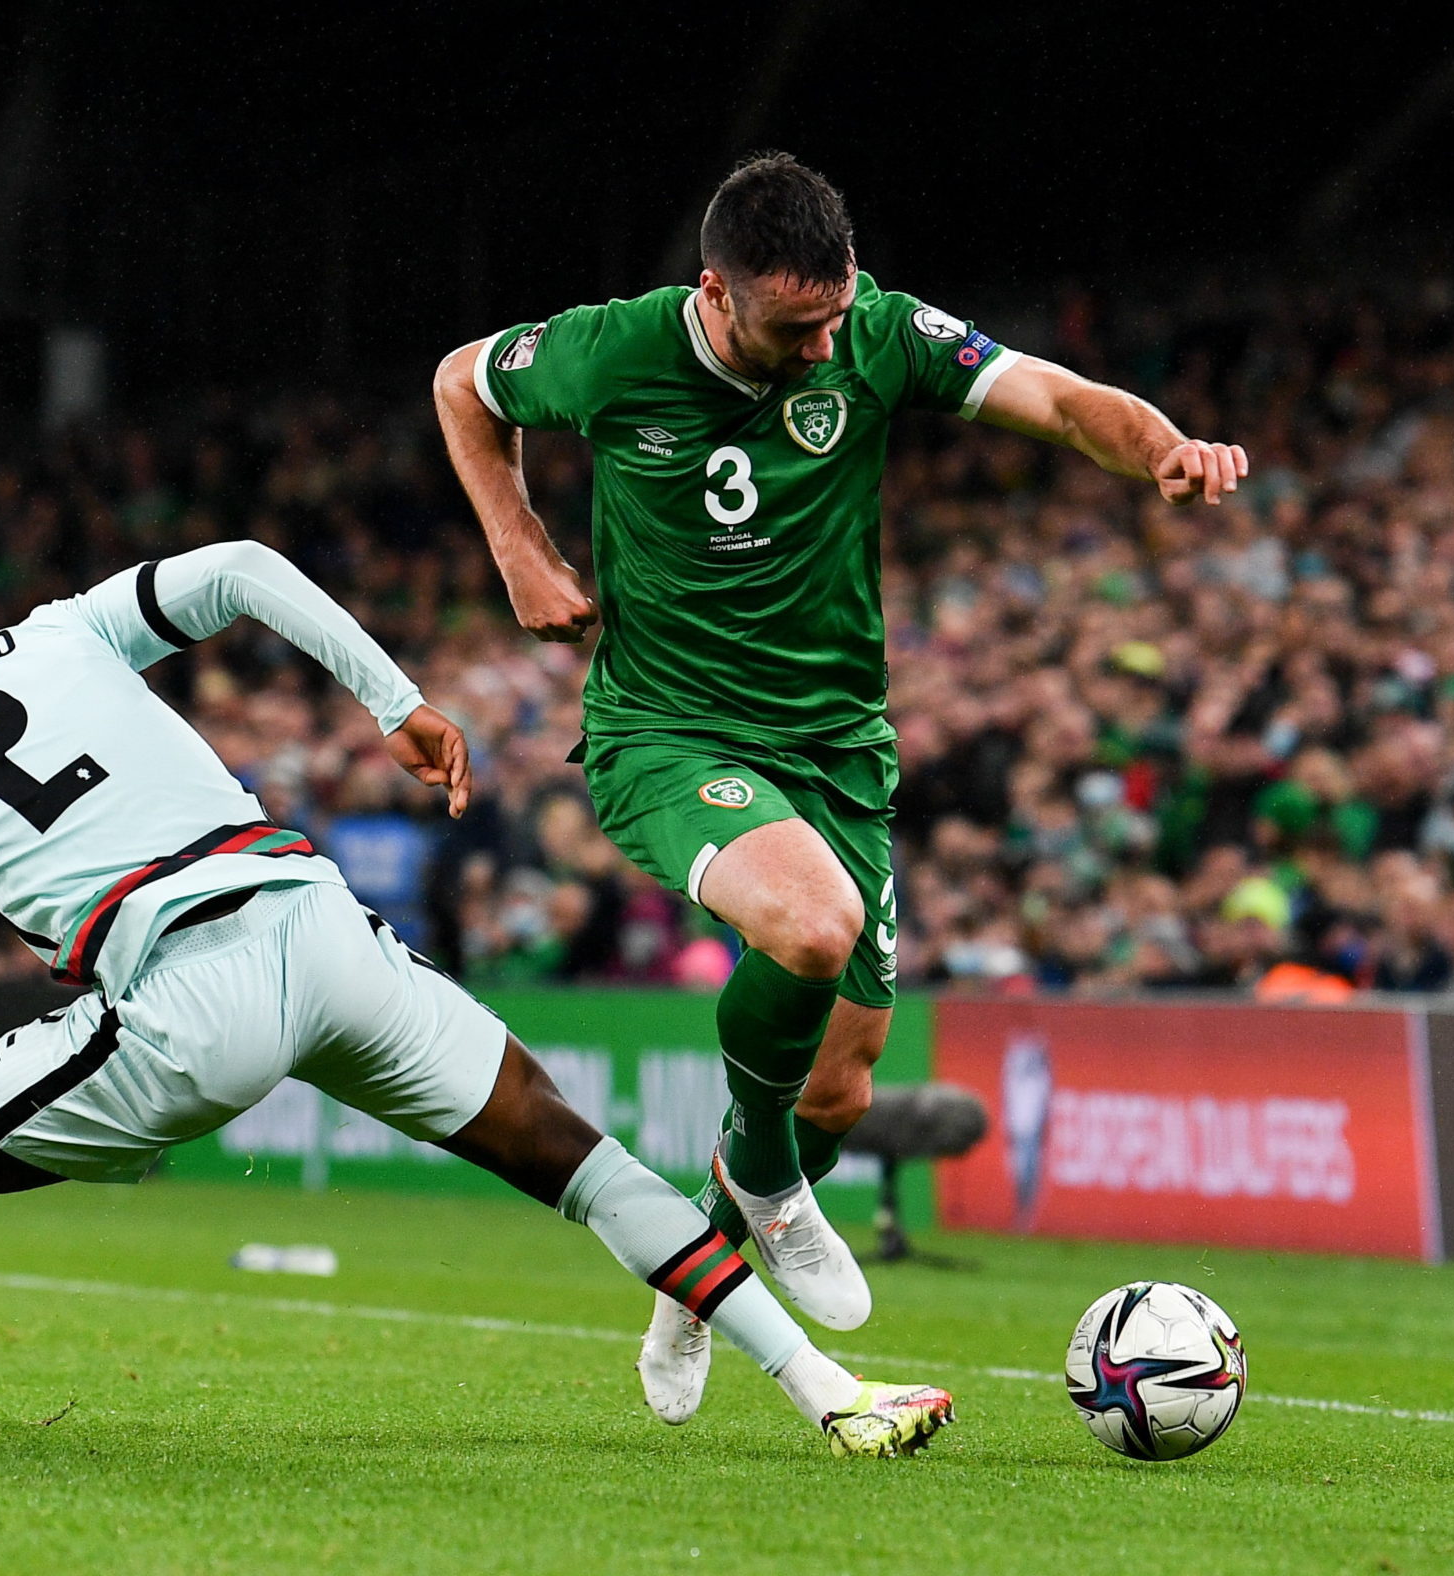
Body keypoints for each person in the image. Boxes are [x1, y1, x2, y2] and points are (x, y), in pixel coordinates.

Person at [0, 543, 956, 1459]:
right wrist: (393, 703)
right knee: (574, 1157)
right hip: (323, 930)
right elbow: (250, 568)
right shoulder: (57, 632)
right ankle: (833, 1391)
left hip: (184, 991)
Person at [431, 151, 1249, 1421]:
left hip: (837, 745)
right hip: (670, 731)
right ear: (715, 294)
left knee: (843, 1085)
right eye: (792, 328)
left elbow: (1055, 397)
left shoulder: (871, 332)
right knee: (812, 927)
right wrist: (521, 548)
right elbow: (458, 383)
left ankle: (694, 1268)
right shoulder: (607, 351)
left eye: (835, 315)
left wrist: (1163, 447)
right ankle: (759, 1175)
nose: (823, 351)